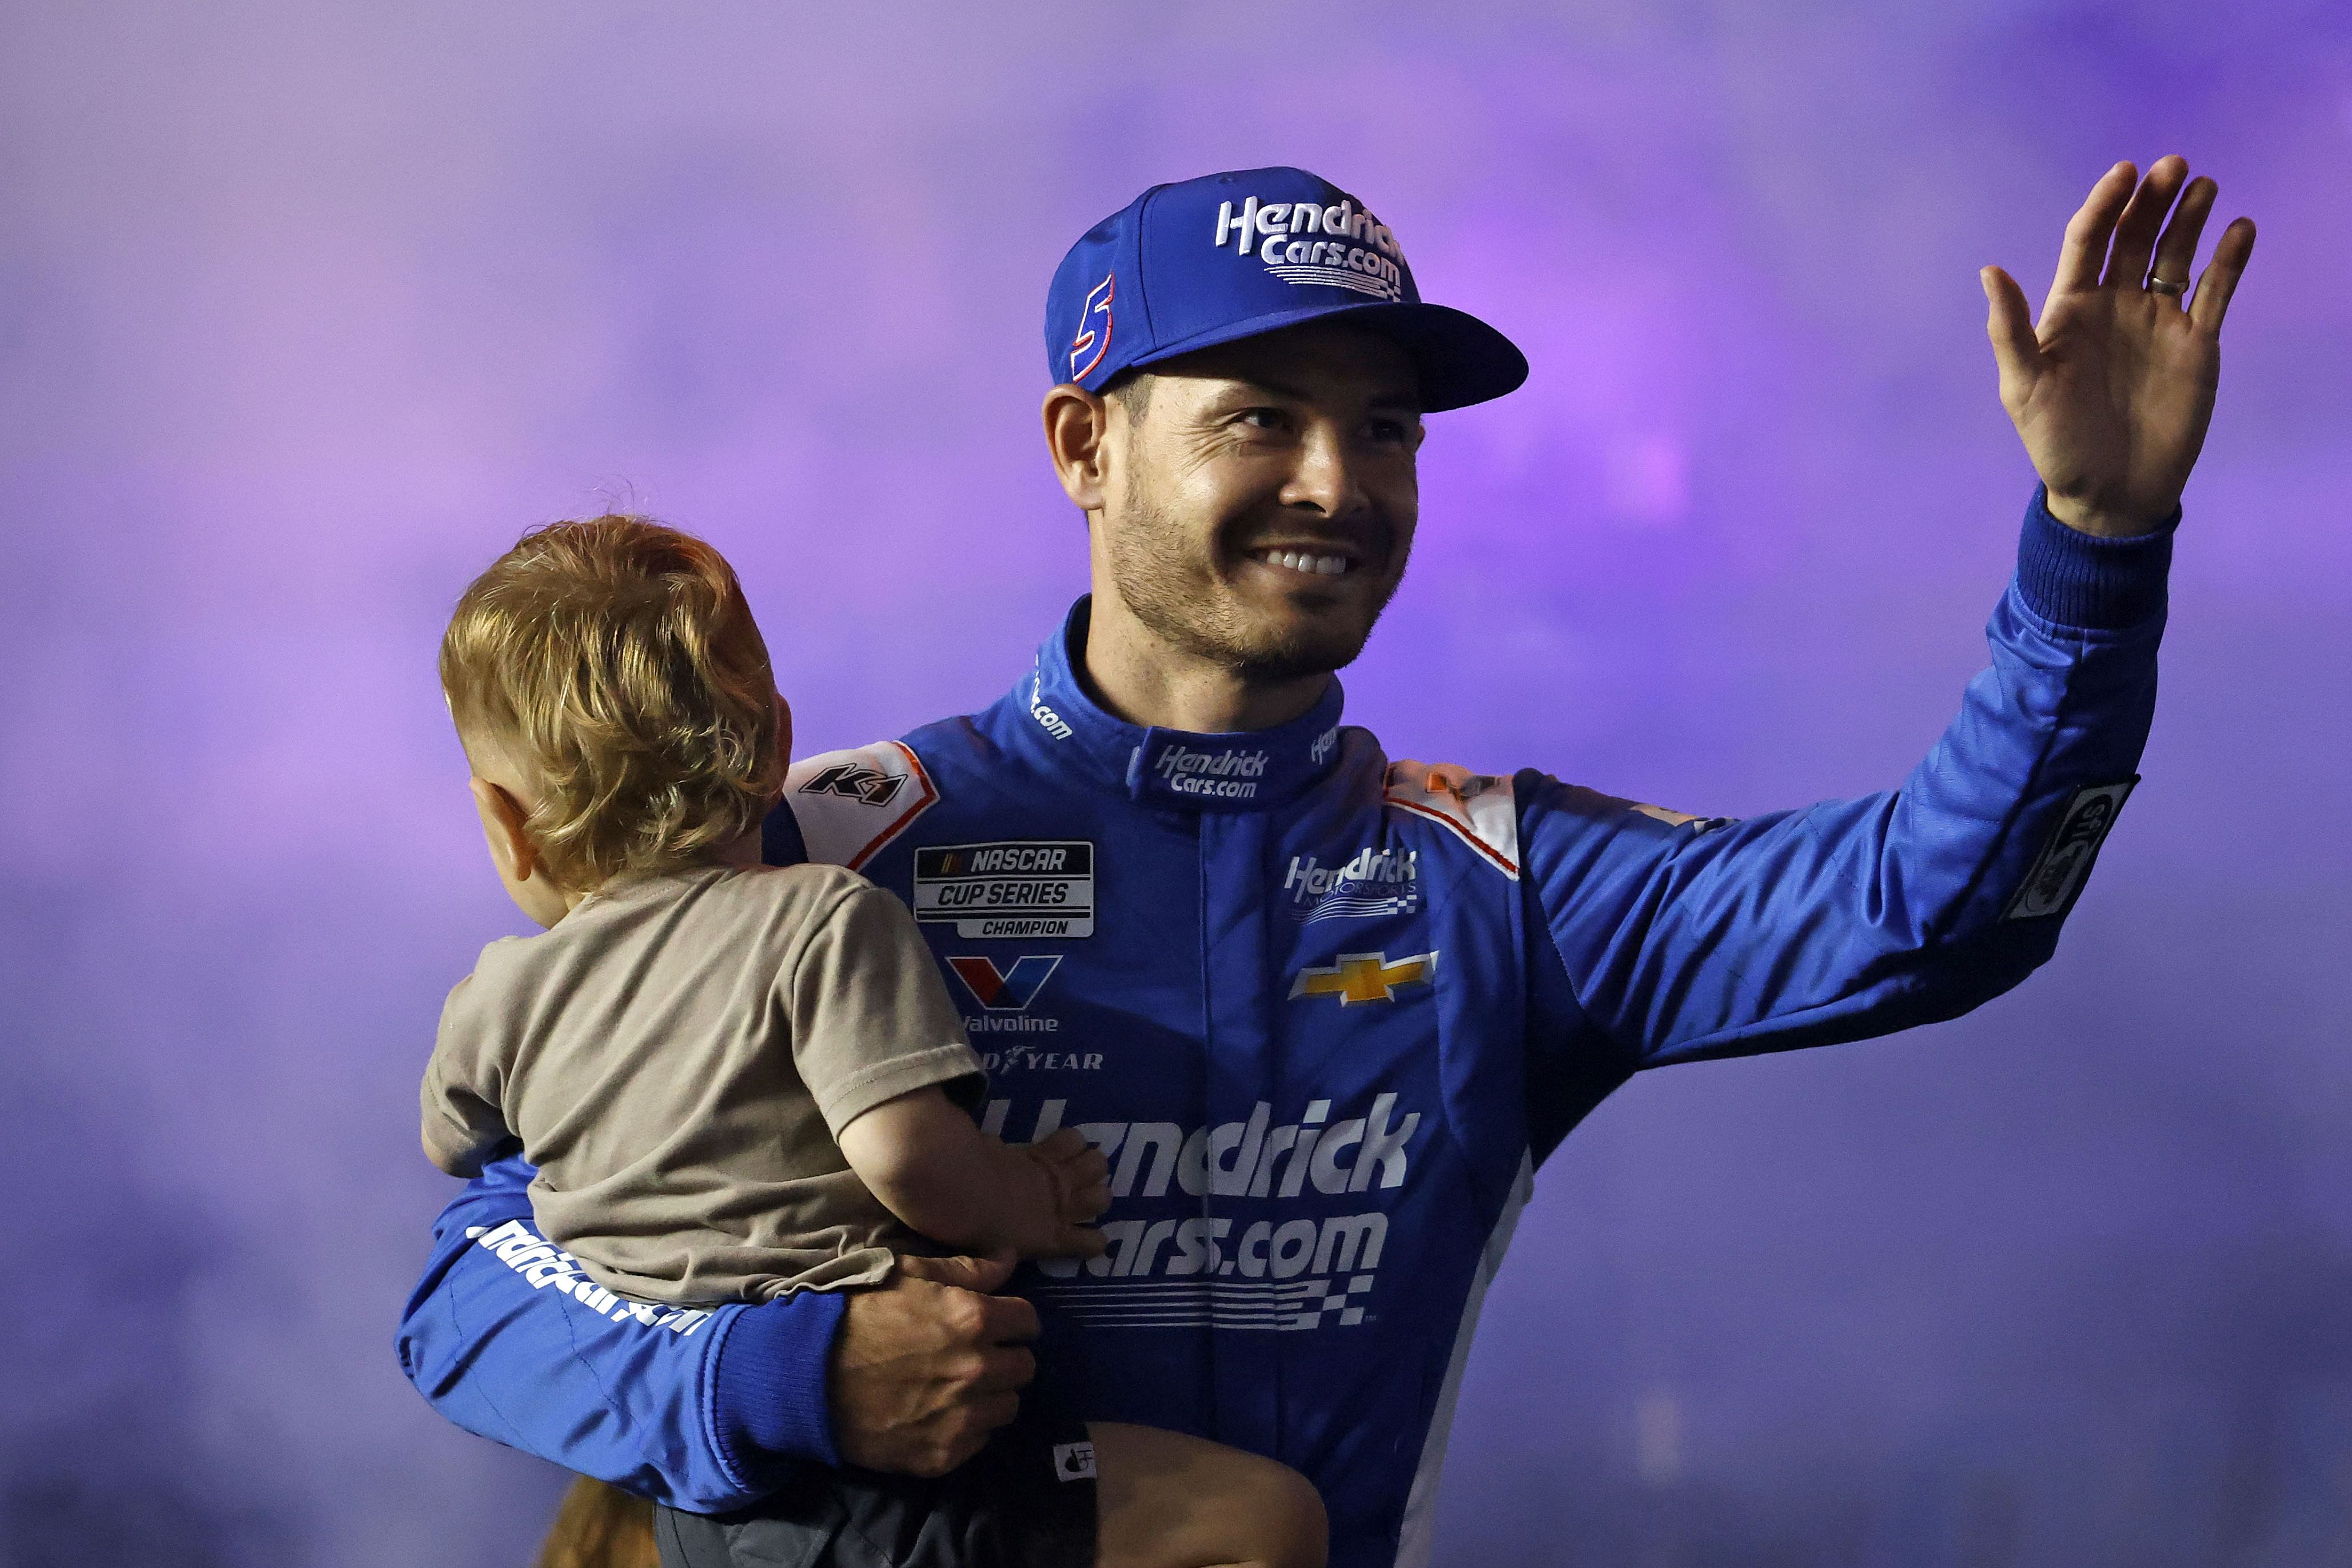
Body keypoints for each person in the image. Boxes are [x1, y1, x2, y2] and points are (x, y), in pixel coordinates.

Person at [398, 160, 2255, 1568]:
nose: (1336, 481)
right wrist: (781, 1387)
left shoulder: (1498, 880)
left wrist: (2094, 541)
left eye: (1383, 426)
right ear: (1080, 444)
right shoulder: (830, 845)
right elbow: (476, 1290)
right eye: (1260, 416)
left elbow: (1936, 910)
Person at [424, 517, 1325, 1568]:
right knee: (1269, 1521)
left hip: (696, 1512)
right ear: (774, 747)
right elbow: (904, 1157)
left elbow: (457, 1149)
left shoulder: (498, 992)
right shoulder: (822, 914)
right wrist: (1030, 1196)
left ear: (503, 821)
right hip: (895, 1483)